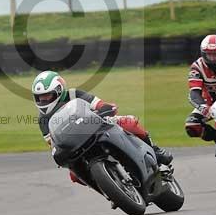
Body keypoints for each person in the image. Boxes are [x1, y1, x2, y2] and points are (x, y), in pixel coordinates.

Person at [32, 70, 173, 180]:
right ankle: (108, 190)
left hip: (97, 125)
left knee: (129, 122)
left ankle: (155, 152)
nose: (43, 100)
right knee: (74, 175)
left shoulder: (74, 94)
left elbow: (98, 104)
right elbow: (53, 143)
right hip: (75, 144)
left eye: (47, 95)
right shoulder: (43, 119)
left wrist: (106, 108)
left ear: (59, 91)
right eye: (40, 97)